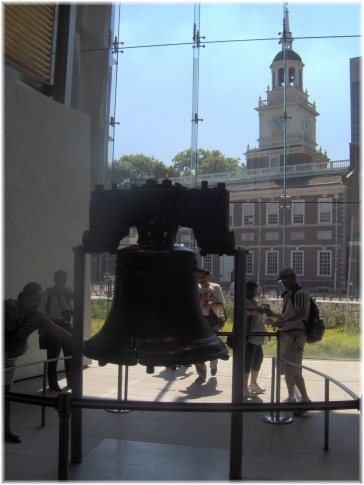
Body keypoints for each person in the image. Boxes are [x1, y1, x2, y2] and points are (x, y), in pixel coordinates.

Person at [4, 282, 73, 443]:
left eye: (39, 300)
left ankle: (6, 429)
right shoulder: (6, 307)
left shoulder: (38, 316)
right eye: (34, 299)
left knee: (5, 396)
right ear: (24, 297)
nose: (37, 303)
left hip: (9, 359)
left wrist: (75, 340)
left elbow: (55, 329)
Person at [266, 267, 311, 416]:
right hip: (287, 334)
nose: (283, 283)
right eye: (282, 280)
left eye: (285, 280)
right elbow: (287, 315)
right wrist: (272, 315)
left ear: (292, 277)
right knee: (287, 370)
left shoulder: (300, 294)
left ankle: (305, 400)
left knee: (295, 370)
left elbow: (301, 315)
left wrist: (282, 322)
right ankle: (291, 397)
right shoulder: (289, 295)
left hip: (296, 335)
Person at [41, 270, 73, 392]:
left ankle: (71, 381)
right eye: (60, 278)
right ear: (55, 279)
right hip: (53, 325)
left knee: (70, 355)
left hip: (66, 324)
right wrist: (43, 328)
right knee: (53, 356)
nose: (63, 281)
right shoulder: (48, 292)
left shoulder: (68, 291)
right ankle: (53, 384)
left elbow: (71, 304)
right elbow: (43, 309)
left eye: (65, 278)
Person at [194, 269, 224, 384]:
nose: (201, 279)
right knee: (198, 347)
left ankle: (213, 363)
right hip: (199, 319)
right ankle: (201, 375)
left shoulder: (216, 287)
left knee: (212, 344)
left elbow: (221, 304)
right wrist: (199, 300)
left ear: (208, 277)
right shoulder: (195, 288)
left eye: (203, 277)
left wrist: (211, 304)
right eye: (199, 277)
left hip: (212, 319)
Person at [244, 281, 269, 399]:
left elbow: (258, 319)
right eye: (251, 289)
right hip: (249, 337)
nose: (253, 292)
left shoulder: (254, 302)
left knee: (258, 360)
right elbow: (246, 311)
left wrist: (264, 330)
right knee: (247, 362)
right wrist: (257, 311)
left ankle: (253, 384)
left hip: (258, 336)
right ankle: (243, 387)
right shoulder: (243, 301)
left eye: (255, 289)